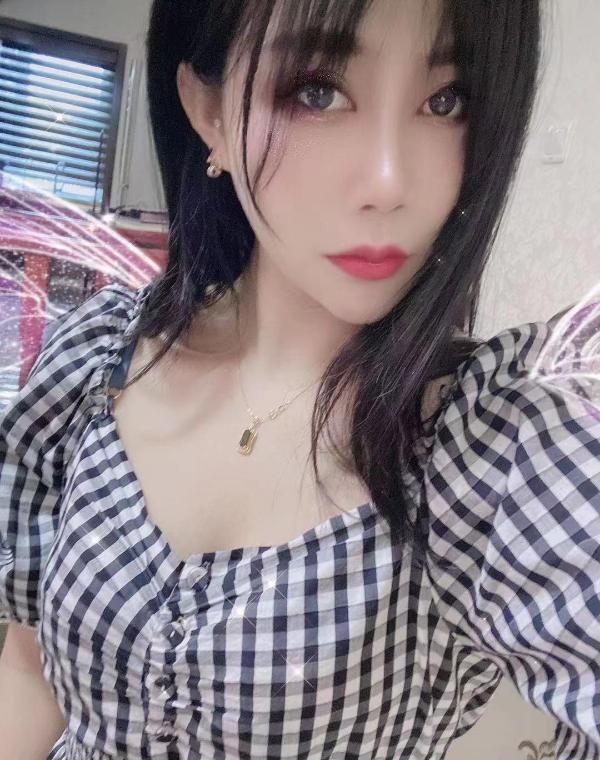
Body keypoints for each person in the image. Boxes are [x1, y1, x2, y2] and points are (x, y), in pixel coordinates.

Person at [0, 0, 598, 758]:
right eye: (318, 90)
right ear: (210, 111)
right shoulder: (98, 363)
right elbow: (30, 669)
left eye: (446, 101)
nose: (389, 181)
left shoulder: (487, 447)